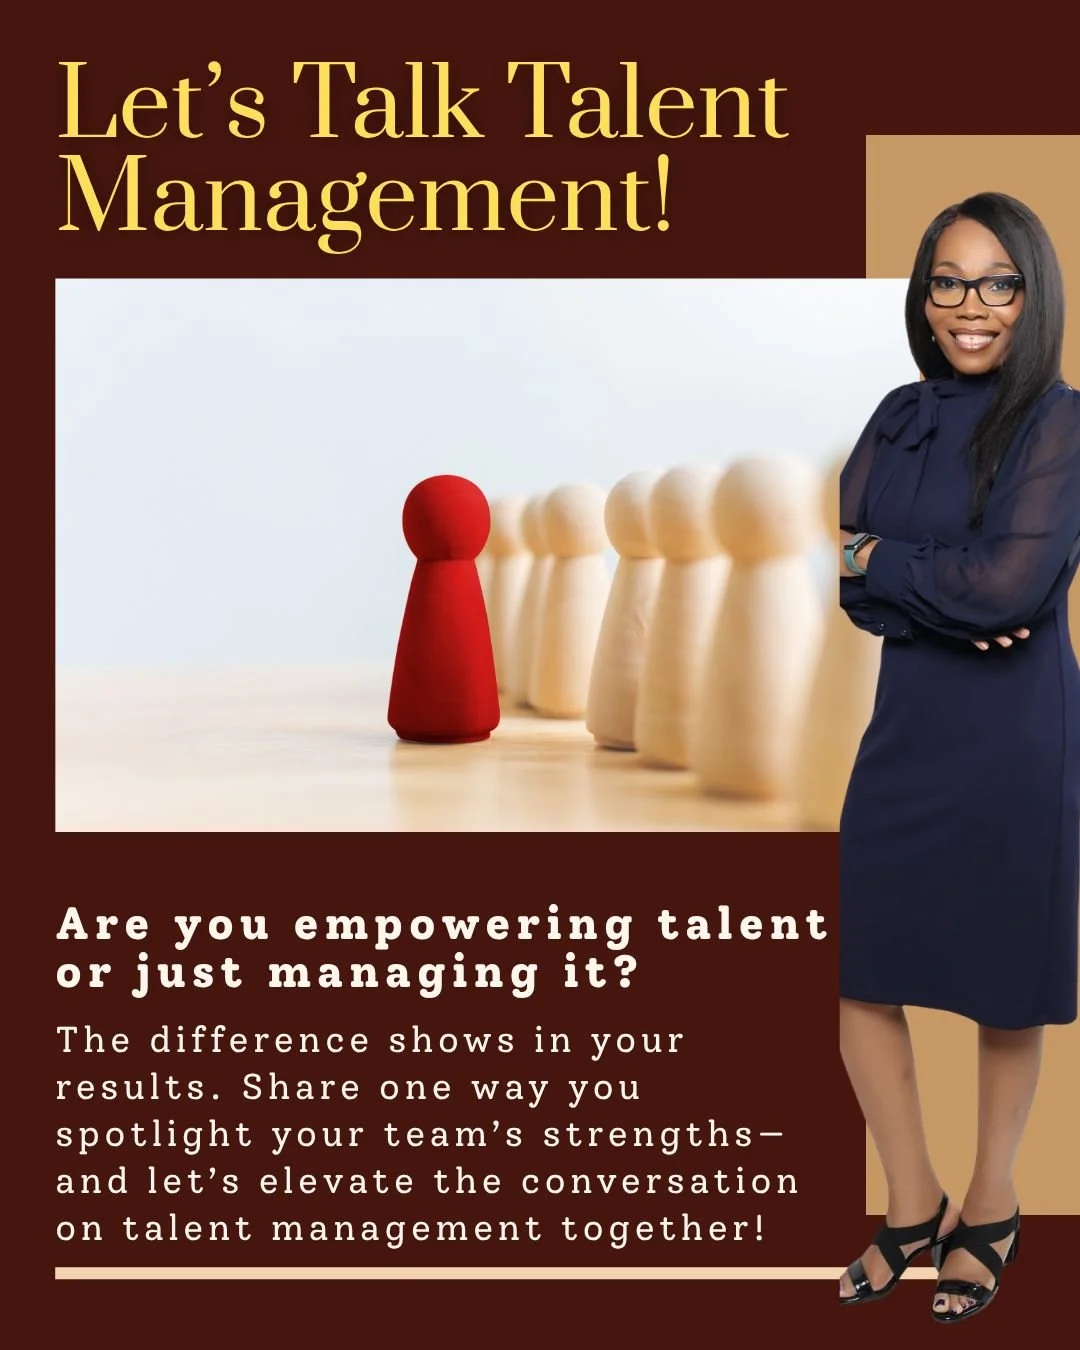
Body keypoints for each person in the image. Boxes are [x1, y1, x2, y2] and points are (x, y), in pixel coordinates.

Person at [835, 191, 1080, 1323]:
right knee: (868, 979)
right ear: (922, 296)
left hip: (1013, 739)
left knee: (1001, 985)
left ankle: (991, 1201)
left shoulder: (1061, 421)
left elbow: (1012, 588)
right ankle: (911, 1199)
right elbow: (854, 579)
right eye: (947, 280)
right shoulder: (895, 411)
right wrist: (927, 577)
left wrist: (899, 564)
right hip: (908, 728)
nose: (969, 306)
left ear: (1032, 297)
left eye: (996, 283)